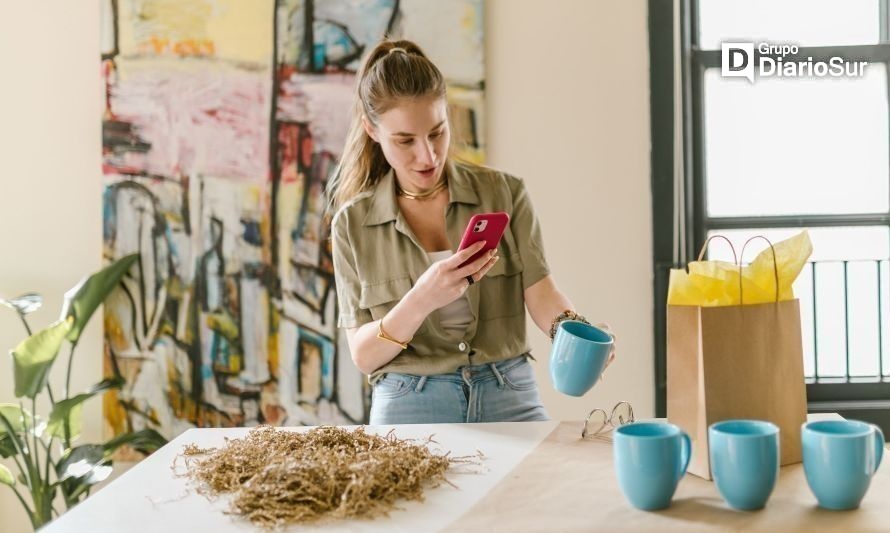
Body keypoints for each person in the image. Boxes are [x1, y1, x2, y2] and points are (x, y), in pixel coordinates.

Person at [328, 39, 615, 425]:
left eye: (437, 132)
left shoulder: (504, 193)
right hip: (409, 398)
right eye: (405, 140)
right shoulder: (351, 224)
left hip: (508, 389)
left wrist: (574, 333)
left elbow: (541, 291)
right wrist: (422, 298)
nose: (427, 155)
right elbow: (364, 356)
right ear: (372, 130)